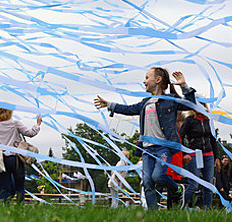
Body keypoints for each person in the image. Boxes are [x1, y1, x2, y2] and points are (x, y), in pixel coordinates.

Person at [94, 68, 196, 210]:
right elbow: (128, 109)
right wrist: (109, 104)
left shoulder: (170, 101)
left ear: (158, 80)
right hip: (147, 149)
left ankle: (178, 190)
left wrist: (184, 86)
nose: (144, 81)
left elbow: (190, 104)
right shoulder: (145, 102)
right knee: (147, 182)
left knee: (158, 177)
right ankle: (152, 216)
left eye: (147, 77)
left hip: (163, 148)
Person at [0, 108, 41, 203]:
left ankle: (2, 207)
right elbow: (30, 133)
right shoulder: (15, 123)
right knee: (20, 187)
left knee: (3, 187)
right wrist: (37, 125)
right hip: (15, 159)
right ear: (10, 113)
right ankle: (19, 207)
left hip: (1, 160)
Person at [179, 105, 220, 209]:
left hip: (208, 155)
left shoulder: (208, 120)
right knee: (194, 184)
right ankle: (182, 207)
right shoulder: (189, 120)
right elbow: (180, 137)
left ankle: (208, 209)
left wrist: (217, 157)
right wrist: (185, 153)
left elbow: (213, 139)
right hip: (194, 154)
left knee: (208, 184)